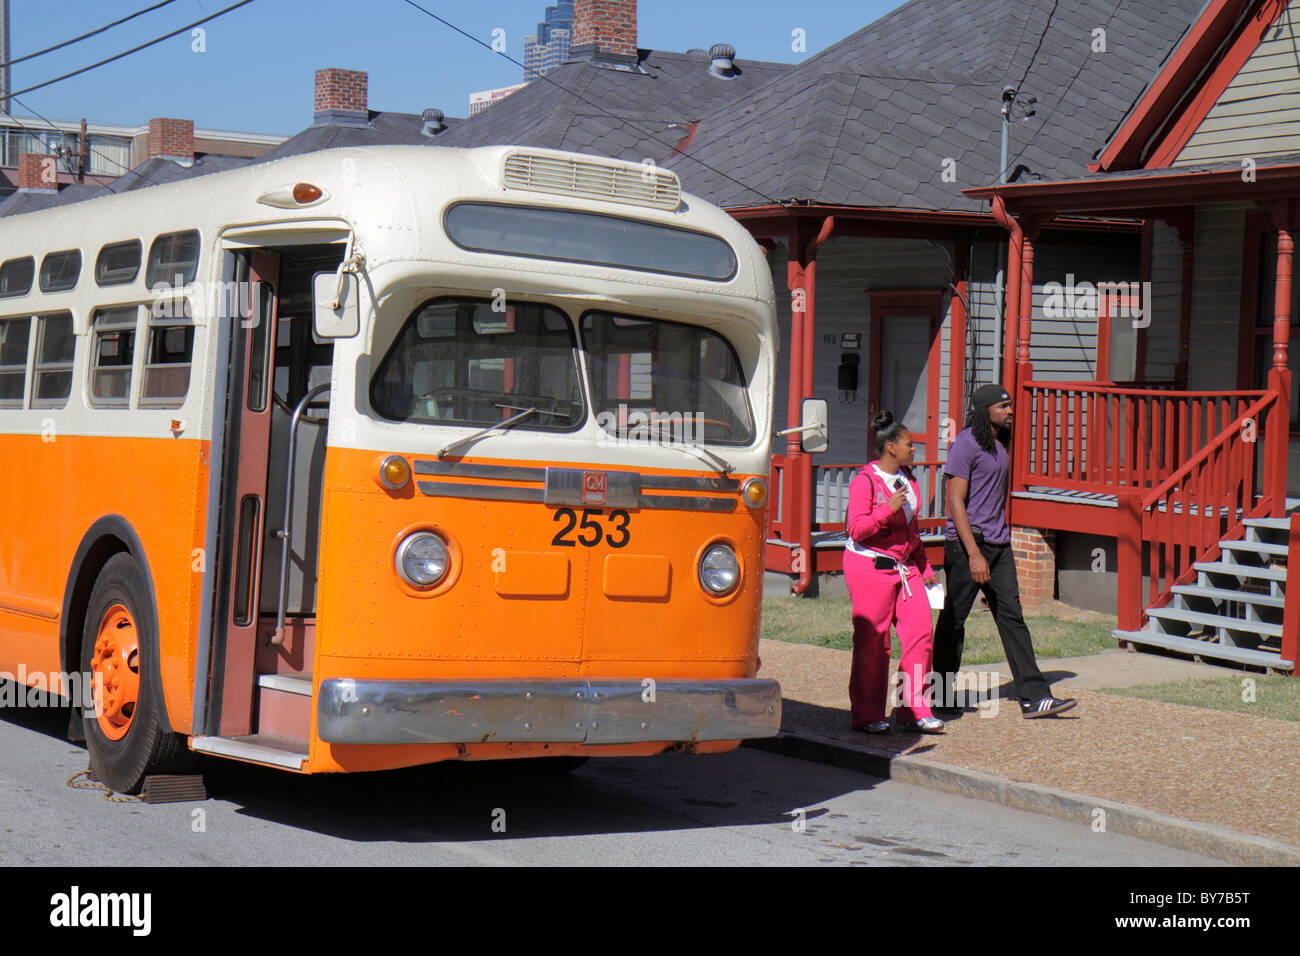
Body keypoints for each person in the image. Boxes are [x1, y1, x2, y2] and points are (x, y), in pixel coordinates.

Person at [932, 384, 1077, 718]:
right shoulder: (965, 444)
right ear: (985, 411)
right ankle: (936, 698)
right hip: (968, 545)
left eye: (1010, 406)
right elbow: (955, 501)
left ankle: (1034, 697)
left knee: (1012, 618)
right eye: (1004, 406)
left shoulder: (1001, 443)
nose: (1010, 411)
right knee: (953, 621)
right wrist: (973, 554)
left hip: (998, 544)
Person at [844, 410, 944, 734]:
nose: (913, 449)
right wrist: (888, 510)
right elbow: (857, 530)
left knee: (921, 634)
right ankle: (867, 714)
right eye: (909, 444)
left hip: (906, 567)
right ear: (890, 448)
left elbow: (912, 532)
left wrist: (926, 569)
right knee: (875, 642)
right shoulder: (865, 482)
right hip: (869, 566)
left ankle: (913, 708)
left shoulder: (909, 479)